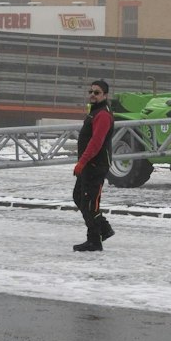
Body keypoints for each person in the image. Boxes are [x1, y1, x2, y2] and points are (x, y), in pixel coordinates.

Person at [70, 79, 117, 252]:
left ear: (105, 95)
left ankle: (94, 240)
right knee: (79, 197)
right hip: (89, 165)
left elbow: (96, 142)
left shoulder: (103, 114)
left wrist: (82, 162)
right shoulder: (95, 112)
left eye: (97, 93)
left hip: (95, 165)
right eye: (90, 92)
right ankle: (103, 229)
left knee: (89, 203)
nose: (92, 95)